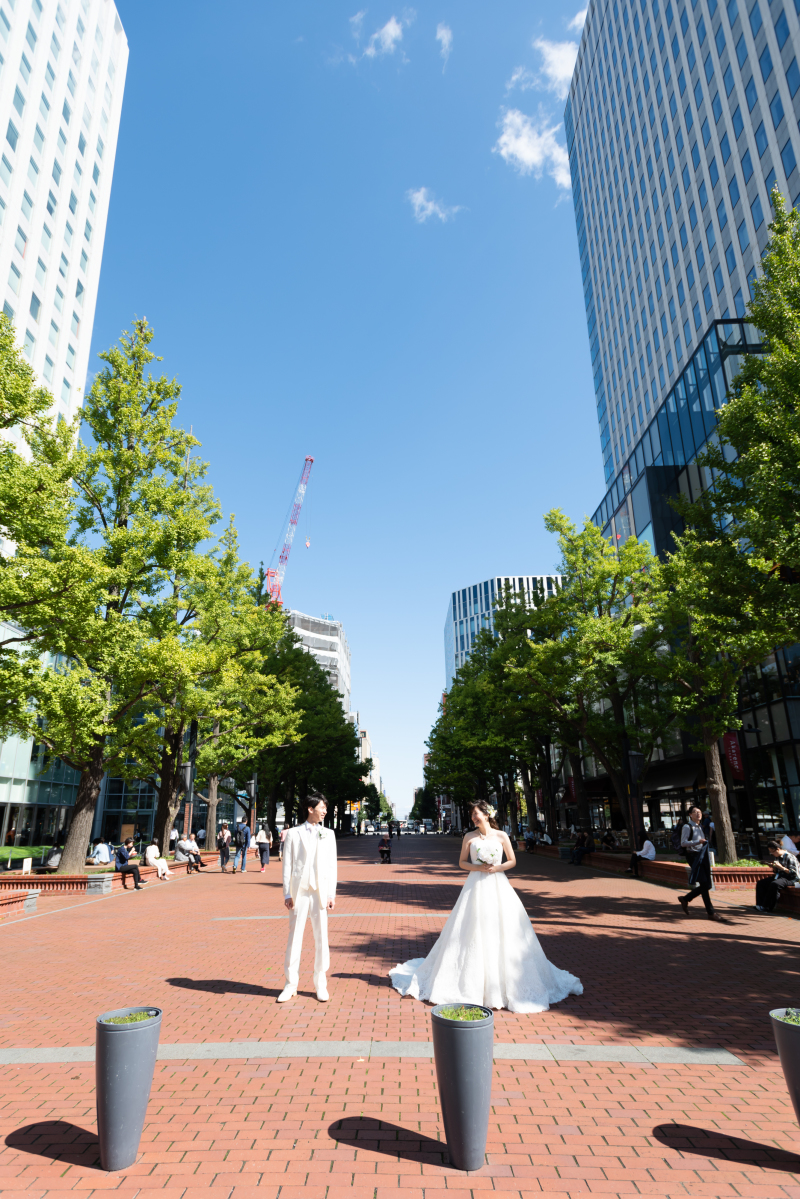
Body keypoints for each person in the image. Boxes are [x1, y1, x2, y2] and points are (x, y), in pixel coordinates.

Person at [389, 801, 583, 1012]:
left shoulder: (501, 836)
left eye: (477, 813)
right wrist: (478, 867)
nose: (474, 817)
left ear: (487, 814)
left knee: (504, 926)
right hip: (475, 885)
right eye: (472, 814)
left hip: (498, 884)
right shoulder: (469, 837)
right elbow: (462, 862)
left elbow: (512, 860)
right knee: (472, 927)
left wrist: (497, 867)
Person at [278, 795, 337, 1003]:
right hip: (299, 892)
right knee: (294, 938)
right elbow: (288, 865)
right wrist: (287, 893)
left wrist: (331, 893)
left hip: (319, 892)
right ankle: (290, 984)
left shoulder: (328, 834)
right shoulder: (293, 833)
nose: (324, 811)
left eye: (326, 808)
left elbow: (332, 866)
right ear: (310, 808)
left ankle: (321, 983)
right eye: (322, 807)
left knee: (322, 938)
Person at [678, 807, 726, 922]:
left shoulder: (700, 826)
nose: (698, 814)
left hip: (702, 855)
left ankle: (685, 898)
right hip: (693, 856)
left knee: (707, 884)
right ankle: (711, 913)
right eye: (695, 812)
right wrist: (698, 842)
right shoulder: (687, 826)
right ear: (690, 814)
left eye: (699, 812)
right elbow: (683, 843)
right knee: (704, 883)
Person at [755, 839, 800, 911]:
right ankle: (760, 904)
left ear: (778, 849)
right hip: (780, 876)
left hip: (791, 879)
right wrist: (774, 868)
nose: (771, 853)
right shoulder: (777, 857)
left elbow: (793, 873)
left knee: (775, 884)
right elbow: (778, 871)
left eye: (772, 852)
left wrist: (781, 867)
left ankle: (768, 907)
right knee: (761, 883)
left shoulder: (790, 857)